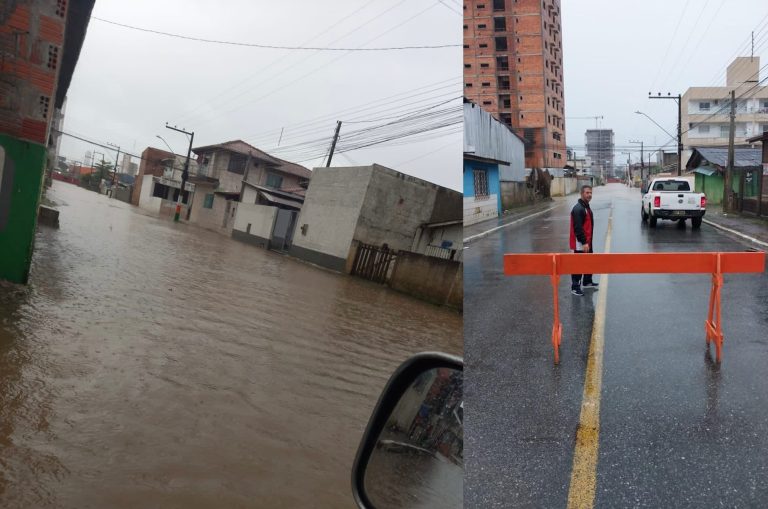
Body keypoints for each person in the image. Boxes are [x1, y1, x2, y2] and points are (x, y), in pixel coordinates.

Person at [569, 185, 598, 296]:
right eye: (587, 192)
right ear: (582, 194)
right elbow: (577, 228)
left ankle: (587, 281)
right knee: (578, 264)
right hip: (580, 243)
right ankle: (575, 286)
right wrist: (584, 242)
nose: (589, 195)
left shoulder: (586, 206)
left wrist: (588, 241)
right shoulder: (578, 208)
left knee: (588, 261)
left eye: (590, 192)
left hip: (587, 241)